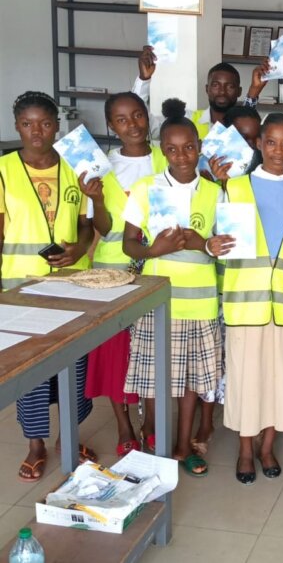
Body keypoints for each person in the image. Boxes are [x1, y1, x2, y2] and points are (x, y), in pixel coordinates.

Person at [122, 98, 231, 477]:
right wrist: (154, 250)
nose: (181, 156)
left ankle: (184, 446)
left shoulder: (215, 192)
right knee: (155, 381)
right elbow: (129, 245)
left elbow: (222, 246)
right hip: (157, 301)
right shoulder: (145, 188)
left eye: (188, 148)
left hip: (200, 302)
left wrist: (205, 244)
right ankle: (156, 444)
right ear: (162, 150)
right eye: (172, 149)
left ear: (200, 148)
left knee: (190, 382)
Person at [0, 91, 96, 481]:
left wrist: (80, 248)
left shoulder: (75, 166)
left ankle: (68, 437)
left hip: (72, 285)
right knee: (32, 368)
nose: (36, 131)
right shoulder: (4, 170)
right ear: (17, 126)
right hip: (22, 286)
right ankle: (36, 443)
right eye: (27, 124)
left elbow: (86, 224)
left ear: (57, 125)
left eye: (44, 123)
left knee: (75, 363)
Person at [222, 113, 283, 485]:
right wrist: (212, 246)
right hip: (245, 304)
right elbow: (220, 244)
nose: (279, 150)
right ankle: (245, 449)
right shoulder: (234, 187)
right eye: (271, 142)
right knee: (246, 379)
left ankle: (267, 445)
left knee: (278, 379)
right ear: (259, 144)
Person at [80, 92, 167, 457]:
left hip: (158, 265)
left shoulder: (168, 155)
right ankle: (124, 424)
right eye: (121, 119)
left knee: (152, 349)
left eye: (137, 115)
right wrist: (97, 200)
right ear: (110, 126)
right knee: (116, 352)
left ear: (147, 116)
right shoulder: (100, 166)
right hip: (112, 270)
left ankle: (152, 423)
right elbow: (102, 227)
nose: (132, 125)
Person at [133, 46, 268, 139]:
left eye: (230, 86)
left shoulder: (243, 125)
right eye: (215, 85)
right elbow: (147, 128)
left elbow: (246, 123)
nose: (222, 91)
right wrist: (144, 79)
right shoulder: (187, 119)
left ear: (239, 91)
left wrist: (254, 90)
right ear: (207, 89)